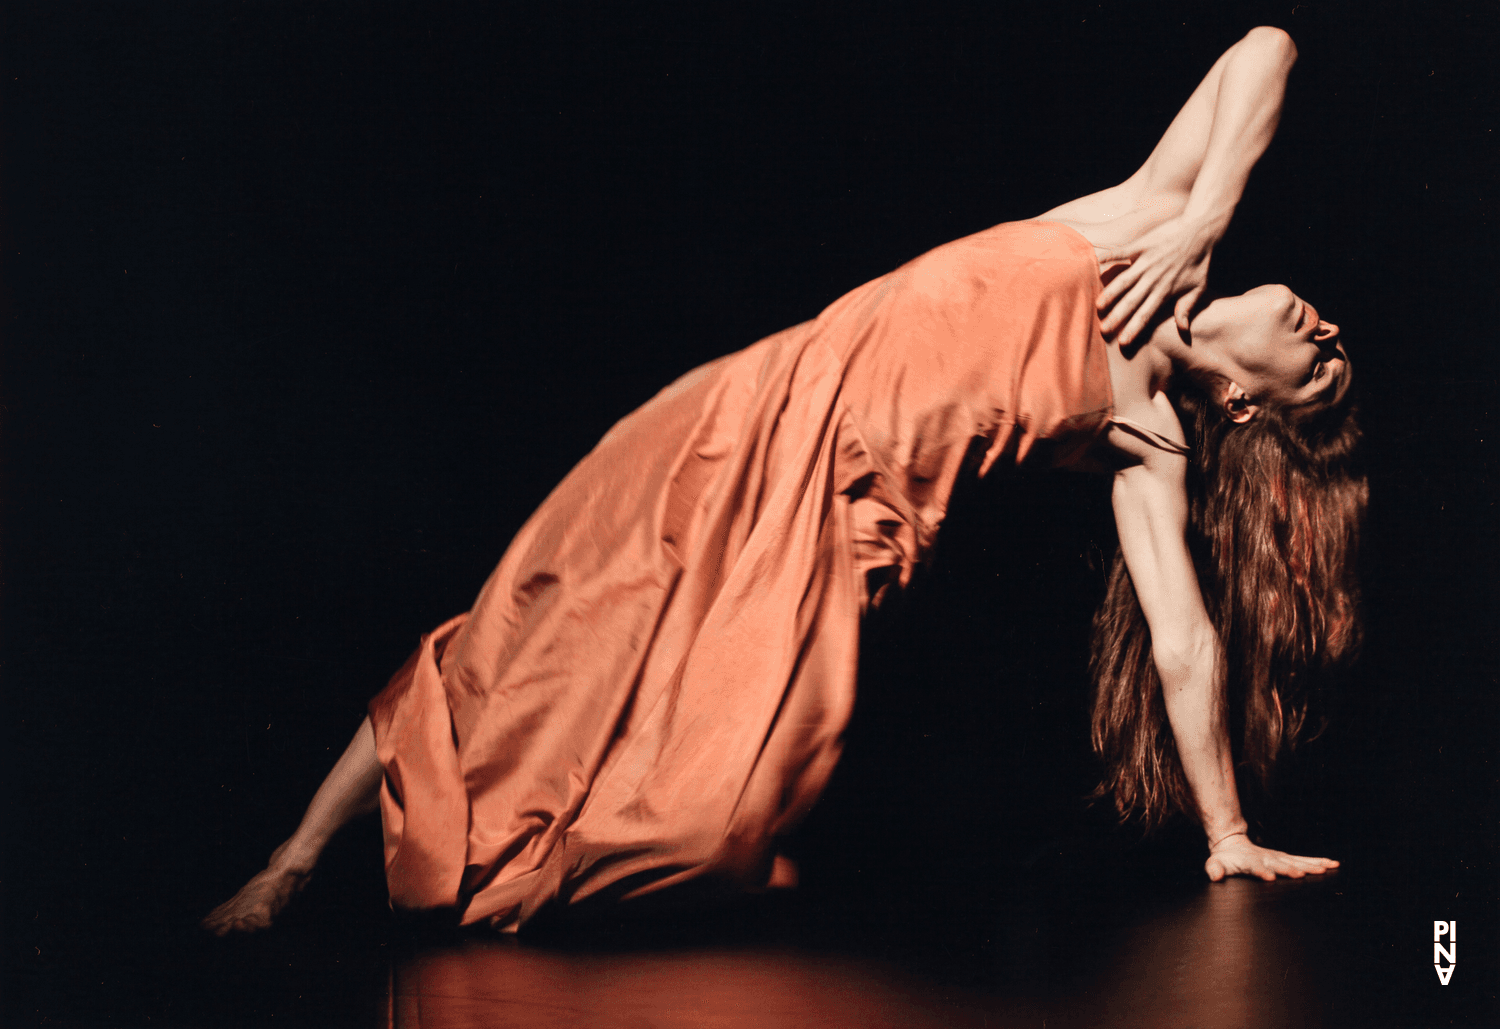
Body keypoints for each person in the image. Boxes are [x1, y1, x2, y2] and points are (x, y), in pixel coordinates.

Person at [204, 26, 1362, 937]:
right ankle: (292, 860)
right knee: (533, 621)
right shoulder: (1147, 221)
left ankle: (485, 866)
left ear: (1250, 407)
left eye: (1323, 367)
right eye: (1329, 338)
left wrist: (1228, 831)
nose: (1327, 329)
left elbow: (1184, 639)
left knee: (710, 821)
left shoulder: (1150, 432)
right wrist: (1206, 218)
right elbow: (1269, 45)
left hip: (822, 540)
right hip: (754, 412)